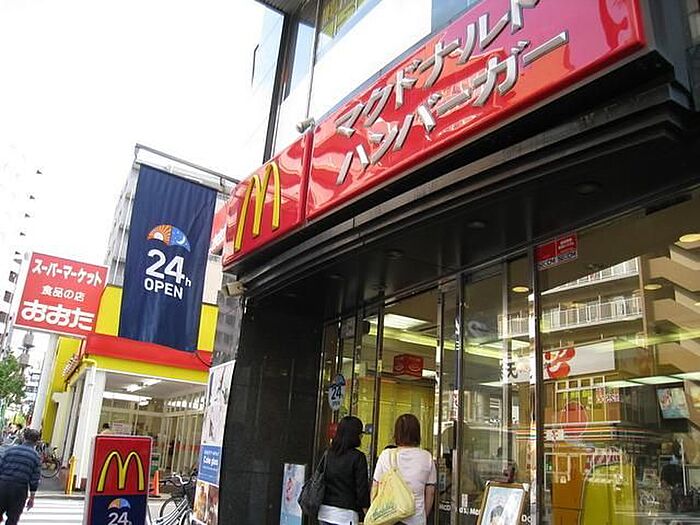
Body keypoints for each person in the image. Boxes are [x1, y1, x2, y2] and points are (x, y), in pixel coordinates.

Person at [372, 414, 437, 525]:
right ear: (417, 433)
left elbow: (375, 488)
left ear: (396, 433)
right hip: (416, 519)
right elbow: (430, 492)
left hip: (388, 518)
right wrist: (422, 516)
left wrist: (375, 512)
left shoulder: (386, 455)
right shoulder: (427, 457)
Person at [317, 416, 370, 525]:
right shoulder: (358, 457)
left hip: (324, 513)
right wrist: (367, 512)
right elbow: (362, 490)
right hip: (345, 515)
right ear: (355, 435)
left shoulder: (328, 454)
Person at [0, 428, 41, 525]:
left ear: (24, 438)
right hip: (19, 489)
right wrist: (32, 498)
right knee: (12, 519)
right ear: (36, 442)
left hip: (2, 485)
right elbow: (34, 480)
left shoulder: (10, 450)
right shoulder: (36, 456)